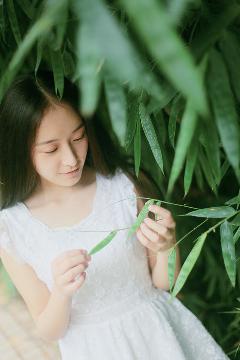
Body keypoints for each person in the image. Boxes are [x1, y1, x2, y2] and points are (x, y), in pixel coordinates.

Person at [0, 71, 229, 360]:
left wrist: (167, 245)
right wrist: (61, 292)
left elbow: (164, 284)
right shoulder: (13, 227)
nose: (71, 159)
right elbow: (49, 330)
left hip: (160, 337)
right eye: (52, 149)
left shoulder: (121, 186)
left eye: (78, 137)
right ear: (21, 149)